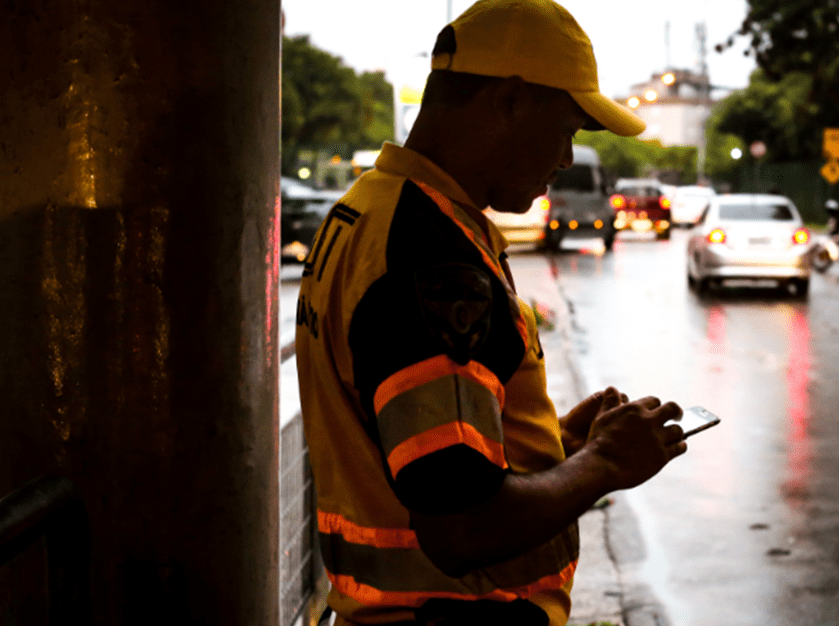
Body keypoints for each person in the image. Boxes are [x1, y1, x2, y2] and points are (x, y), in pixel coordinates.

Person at [294, 2, 686, 624]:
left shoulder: (371, 211)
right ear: (511, 100)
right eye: (569, 130)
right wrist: (602, 464)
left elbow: (423, 454)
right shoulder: (429, 257)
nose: (565, 159)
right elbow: (463, 526)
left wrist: (555, 447)